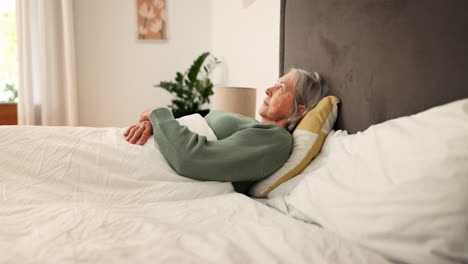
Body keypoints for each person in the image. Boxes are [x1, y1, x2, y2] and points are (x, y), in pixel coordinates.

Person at [124, 68, 329, 193]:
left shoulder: (276, 140)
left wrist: (158, 113)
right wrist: (154, 125)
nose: (268, 89)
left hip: (149, 161)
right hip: (142, 143)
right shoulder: (253, 127)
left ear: (300, 110)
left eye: (281, 88)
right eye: (275, 84)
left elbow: (191, 158)